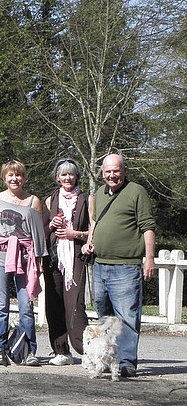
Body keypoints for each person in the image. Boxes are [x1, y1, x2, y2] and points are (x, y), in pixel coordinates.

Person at [82, 154, 156, 378]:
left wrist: (149, 259)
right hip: (100, 264)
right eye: (107, 172)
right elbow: (95, 222)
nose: (112, 175)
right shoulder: (99, 194)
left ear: (124, 170)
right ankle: (106, 360)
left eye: (116, 171)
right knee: (104, 316)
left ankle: (126, 362)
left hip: (126, 266)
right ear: (102, 173)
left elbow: (148, 226)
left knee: (126, 317)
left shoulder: (136, 192)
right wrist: (89, 241)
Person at [0, 159, 47, 366]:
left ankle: (29, 351)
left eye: (18, 175)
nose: (14, 179)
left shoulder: (32, 201)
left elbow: (38, 235)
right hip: (0, 257)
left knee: (26, 305)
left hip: (25, 258)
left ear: (24, 177)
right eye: (10, 175)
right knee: (1, 305)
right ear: (4, 177)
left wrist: (39, 261)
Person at [43, 159, 92, 366]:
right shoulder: (50, 200)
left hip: (75, 255)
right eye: (63, 174)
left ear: (76, 176)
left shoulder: (87, 199)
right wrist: (52, 225)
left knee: (75, 305)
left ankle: (86, 349)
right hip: (54, 256)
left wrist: (76, 234)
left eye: (71, 174)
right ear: (57, 177)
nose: (67, 178)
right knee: (53, 303)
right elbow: (42, 231)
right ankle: (61, 350)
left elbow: (94, 230)